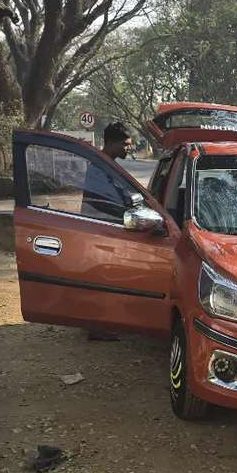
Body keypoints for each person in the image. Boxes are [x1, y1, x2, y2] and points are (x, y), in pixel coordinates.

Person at [87, 121, 134, 342]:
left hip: (107, 229)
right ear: (113, 143)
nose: (128, 148)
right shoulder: (99, 167)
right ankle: (97, 328)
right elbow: (103, 202)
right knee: (102, 280)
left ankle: (100, 323)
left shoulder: (109, 164)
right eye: (125, 144)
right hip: (100, 229)